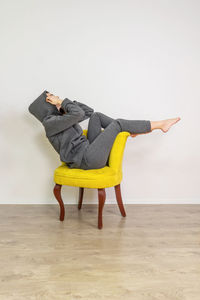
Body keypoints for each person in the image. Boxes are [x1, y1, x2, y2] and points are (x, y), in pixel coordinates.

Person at [28, 90, 181, 170]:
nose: (56, 98)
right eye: (51, 98)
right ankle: (160, 124)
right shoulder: (50, 123)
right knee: (118, 124)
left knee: (97, 116)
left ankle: (131, 129)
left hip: (88, 151)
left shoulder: (60, 118)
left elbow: (88, 111)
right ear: (46, 106)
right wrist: (62, 102)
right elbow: (79, 114)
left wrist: (63, 105)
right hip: (86, 161)